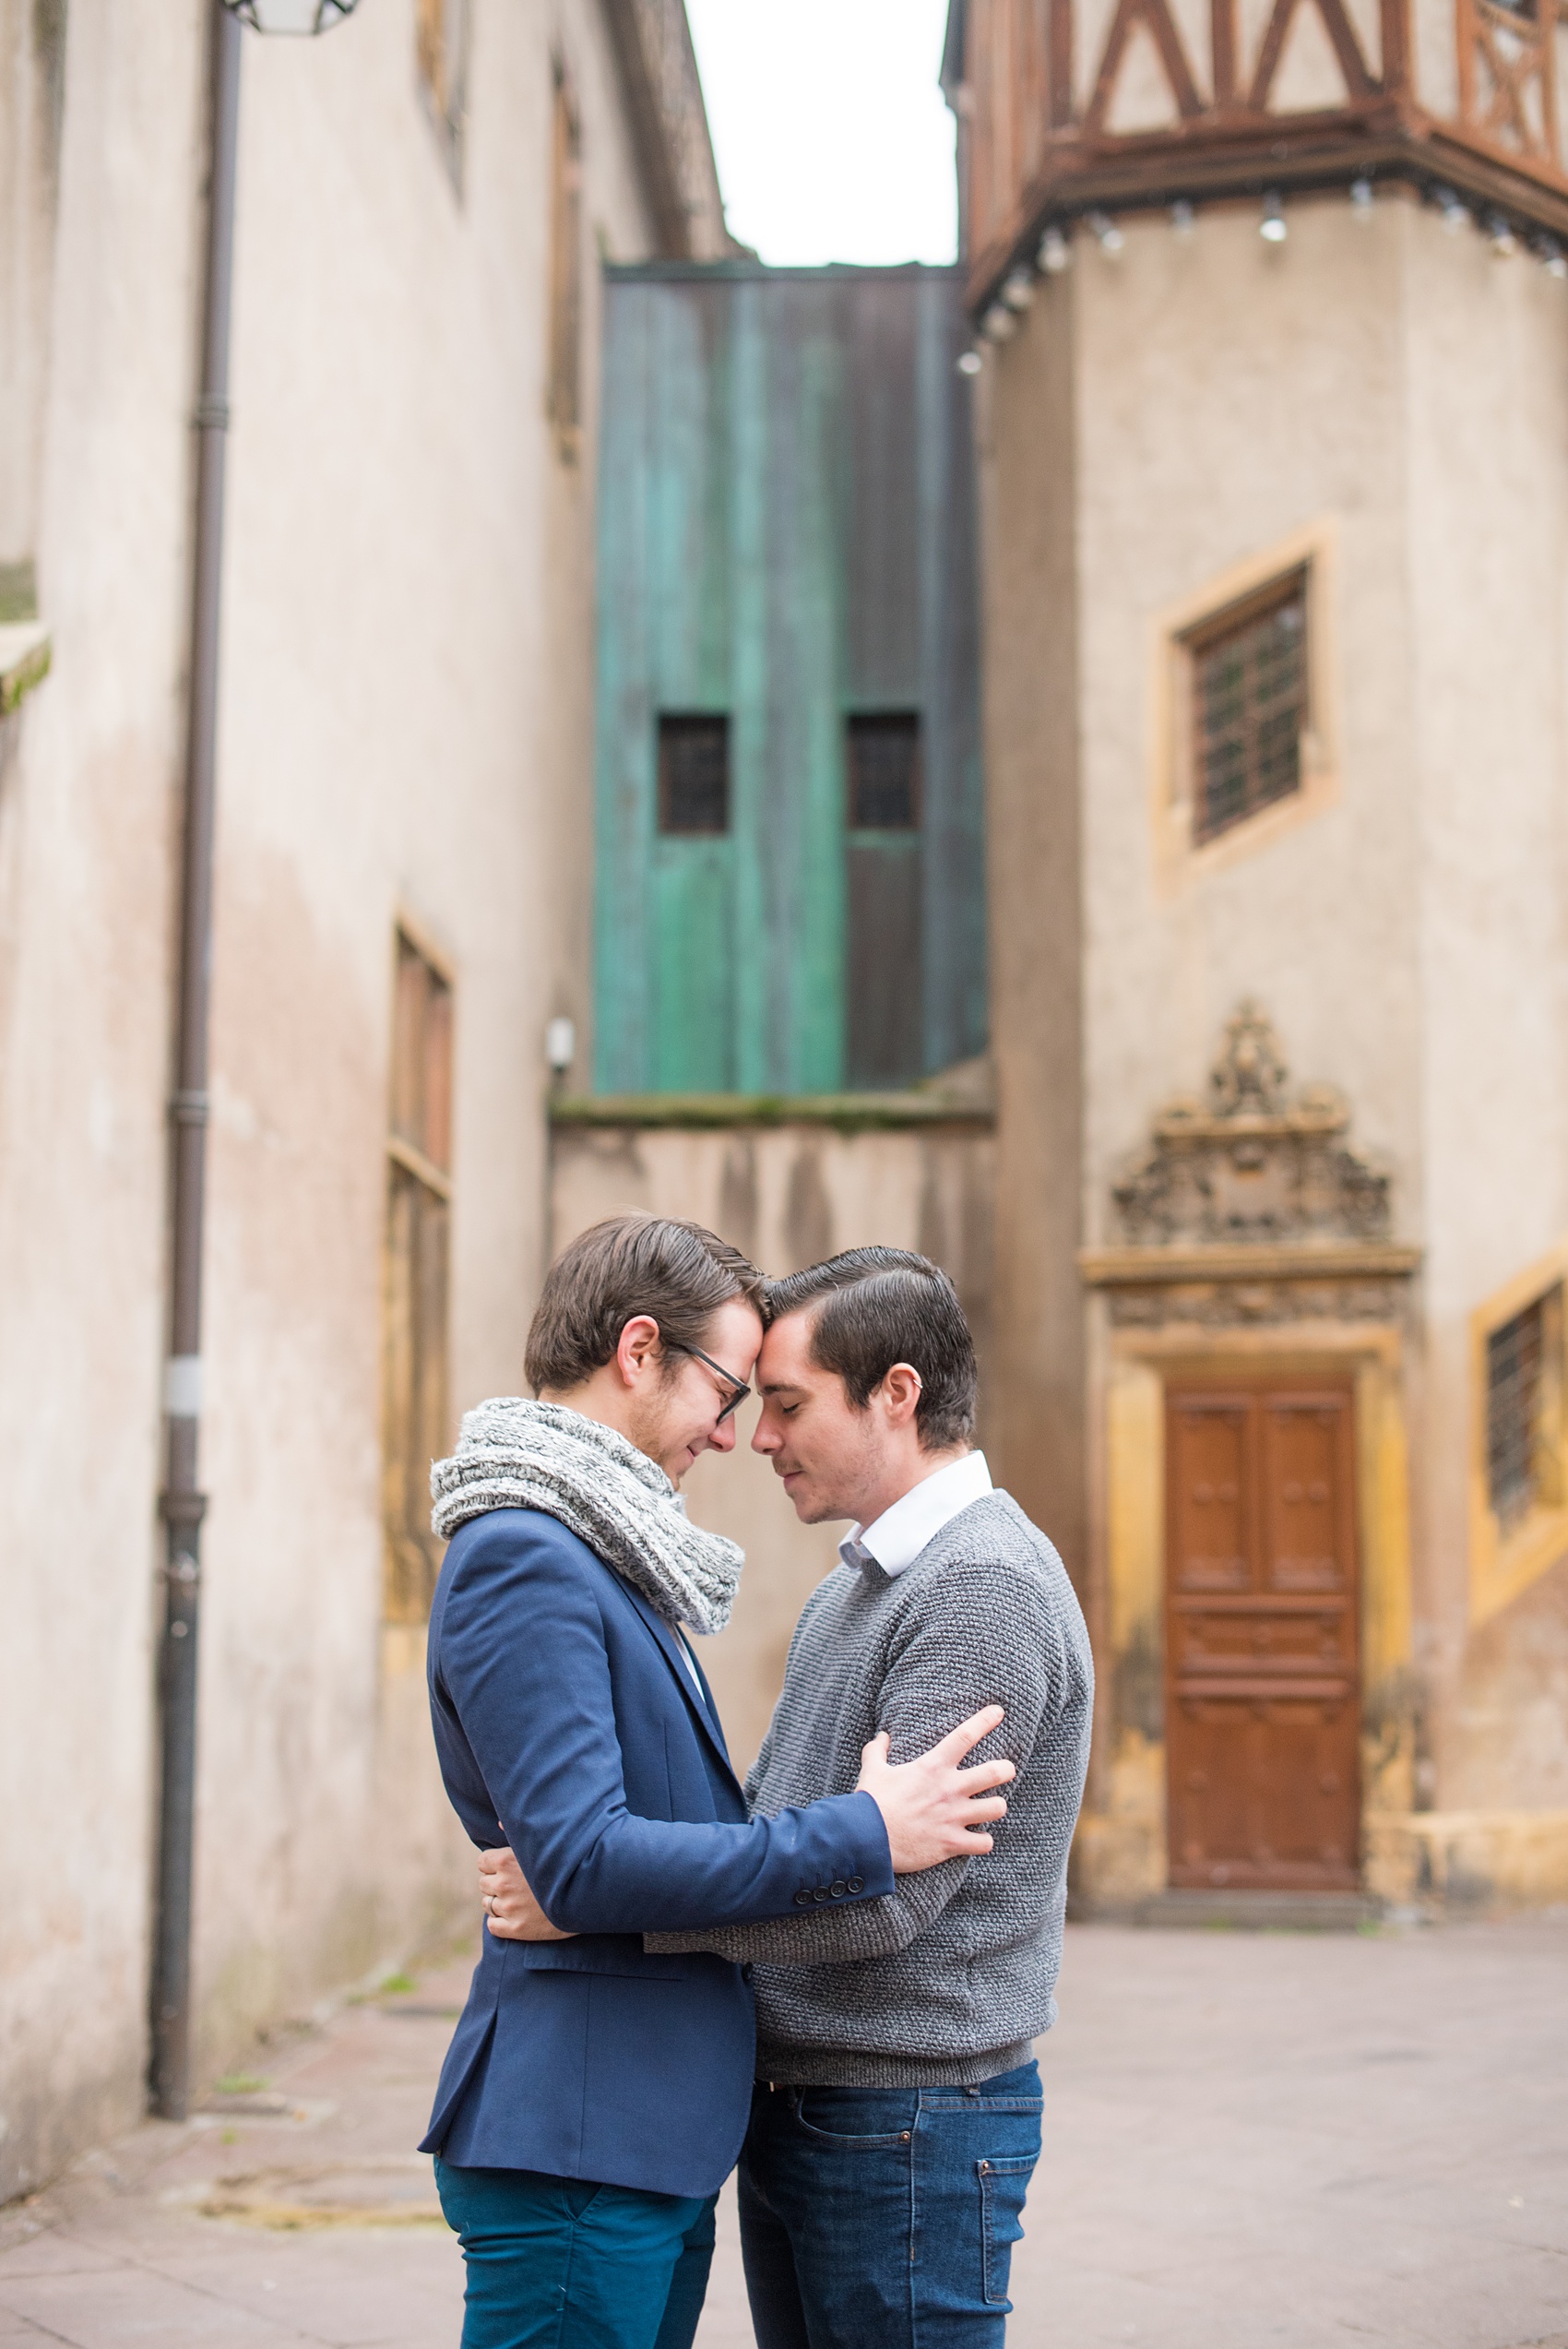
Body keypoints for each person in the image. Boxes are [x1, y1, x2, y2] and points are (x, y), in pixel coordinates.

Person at [421, 1215, 1016, 2349]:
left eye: (767, 1402)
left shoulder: (603, 1544)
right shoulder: (526, 1550)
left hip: (639, 2132)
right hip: (580, 2136)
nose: (737, 1433)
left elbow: (598, 1859)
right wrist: (863, 1830)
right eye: (728, 1390)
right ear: (637, 1350)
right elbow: (588, 1857)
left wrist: (602, 1891)